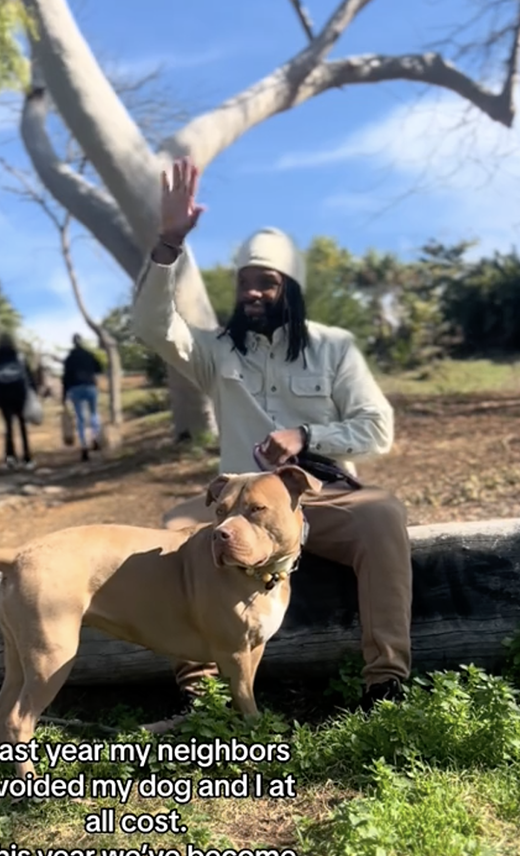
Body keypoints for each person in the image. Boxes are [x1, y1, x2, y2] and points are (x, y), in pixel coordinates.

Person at [131, 157, 413, 716]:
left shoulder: (334, 347)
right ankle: (202, 693)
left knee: (383, 514)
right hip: (239, 506)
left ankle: (386, 682)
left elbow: (378, 428)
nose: (253, 293)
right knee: (174, 525)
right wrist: (167, 243)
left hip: (322, 496)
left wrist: (307, 434)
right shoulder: (215, 351)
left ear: (291, 289)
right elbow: (149, 327)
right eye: (245, 284)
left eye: (267, 283)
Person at [0, 334, 36, 471]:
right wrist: (33, 392)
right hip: (20, 395)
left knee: (8, 428)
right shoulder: (20, 357)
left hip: (3, 397)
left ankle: (10, 458)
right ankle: (27, 457)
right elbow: (29, 376)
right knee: (23, 426)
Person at [62, 334, 103, 462]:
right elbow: (99, 369)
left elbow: (65, 378)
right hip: (90, 386)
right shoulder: (89, 354)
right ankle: (95, 438)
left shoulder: (69, 358)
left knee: (80, 418)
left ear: (73, 343)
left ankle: (84, 446)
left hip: (75, 389)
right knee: (94, 413)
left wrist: (63, 396)